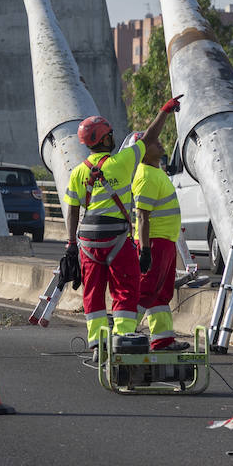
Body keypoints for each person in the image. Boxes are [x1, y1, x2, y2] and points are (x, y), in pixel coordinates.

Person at [63, 96, 181, 349]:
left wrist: (71, 244)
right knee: (126, 288)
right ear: (105, 139)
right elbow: (149, 137)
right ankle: (123, 338)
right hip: (116, 238)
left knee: (93, 292)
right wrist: (163, 111)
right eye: (110, 134)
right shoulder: (123, 162)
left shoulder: (78, 172)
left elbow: (72, 211)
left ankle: (97, 343)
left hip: (87, 241)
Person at [126, 132, 189, 352]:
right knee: (146, 290)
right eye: (153, 142)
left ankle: (162, 340)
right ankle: (124, 334)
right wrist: (145, 250)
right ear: (143, 152)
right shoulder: (145, 176)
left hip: (165, 241)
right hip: (154, 242)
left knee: (160, 293)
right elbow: (142, 217)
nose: (159, 142)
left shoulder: (155, 172)